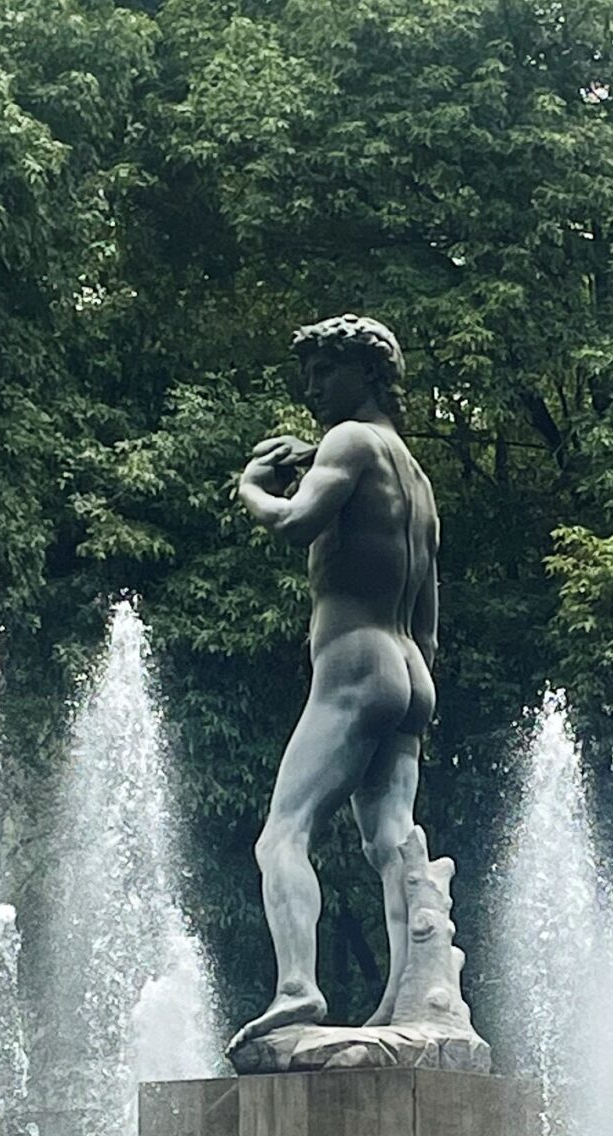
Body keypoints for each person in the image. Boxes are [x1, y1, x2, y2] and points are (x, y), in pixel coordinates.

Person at [227, 313, 443, 1052]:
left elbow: (294, 521)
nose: (313, 388)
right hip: (410, 670)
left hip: (353, 661)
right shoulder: (415, 474)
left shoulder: (349, 442)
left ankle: (297, 987)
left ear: (367, 372)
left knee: (282, 834)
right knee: (393, 841)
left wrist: (252, 487)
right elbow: (430, 614)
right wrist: (416, 698)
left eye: (325, 372)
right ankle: (411, 995)